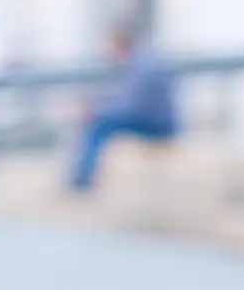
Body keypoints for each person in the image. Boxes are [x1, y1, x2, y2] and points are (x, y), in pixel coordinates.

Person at [68, 26, 179, 189]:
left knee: (99, 124)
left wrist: (96, 111)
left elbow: (131, 105)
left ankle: (82, 178)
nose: (108, 53)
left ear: (120, 45)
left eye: (110, 47)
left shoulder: (143, 66)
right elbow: (124, 101)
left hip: (159, 125)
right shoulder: (138, 62)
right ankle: (82, 175)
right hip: (152, 119)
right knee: (99, 122)